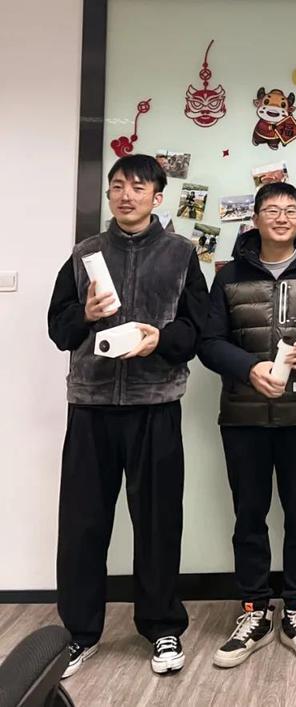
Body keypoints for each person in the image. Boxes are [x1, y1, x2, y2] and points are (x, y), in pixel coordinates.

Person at [47, 154, 209, 678]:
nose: (126, 195)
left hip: (155, 405)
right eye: (117, 186)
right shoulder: (85, 253)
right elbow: (58, 328)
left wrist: (161, 339)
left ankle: (162, 627)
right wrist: (85, 315)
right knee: (82, 525)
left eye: (138, 187)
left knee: (159, 524)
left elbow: (198, 329)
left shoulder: (182, 254)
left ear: (157, 197)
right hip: (91, 406)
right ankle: (78, 634)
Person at [199, 182, 296, 668]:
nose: (281, 218)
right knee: (249, 516)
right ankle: (254, 611)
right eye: (272, 210)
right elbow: (208, 342)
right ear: (256, 218)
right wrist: (248, 368)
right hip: (243, 414)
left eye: (290, 210)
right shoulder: (228, 275)